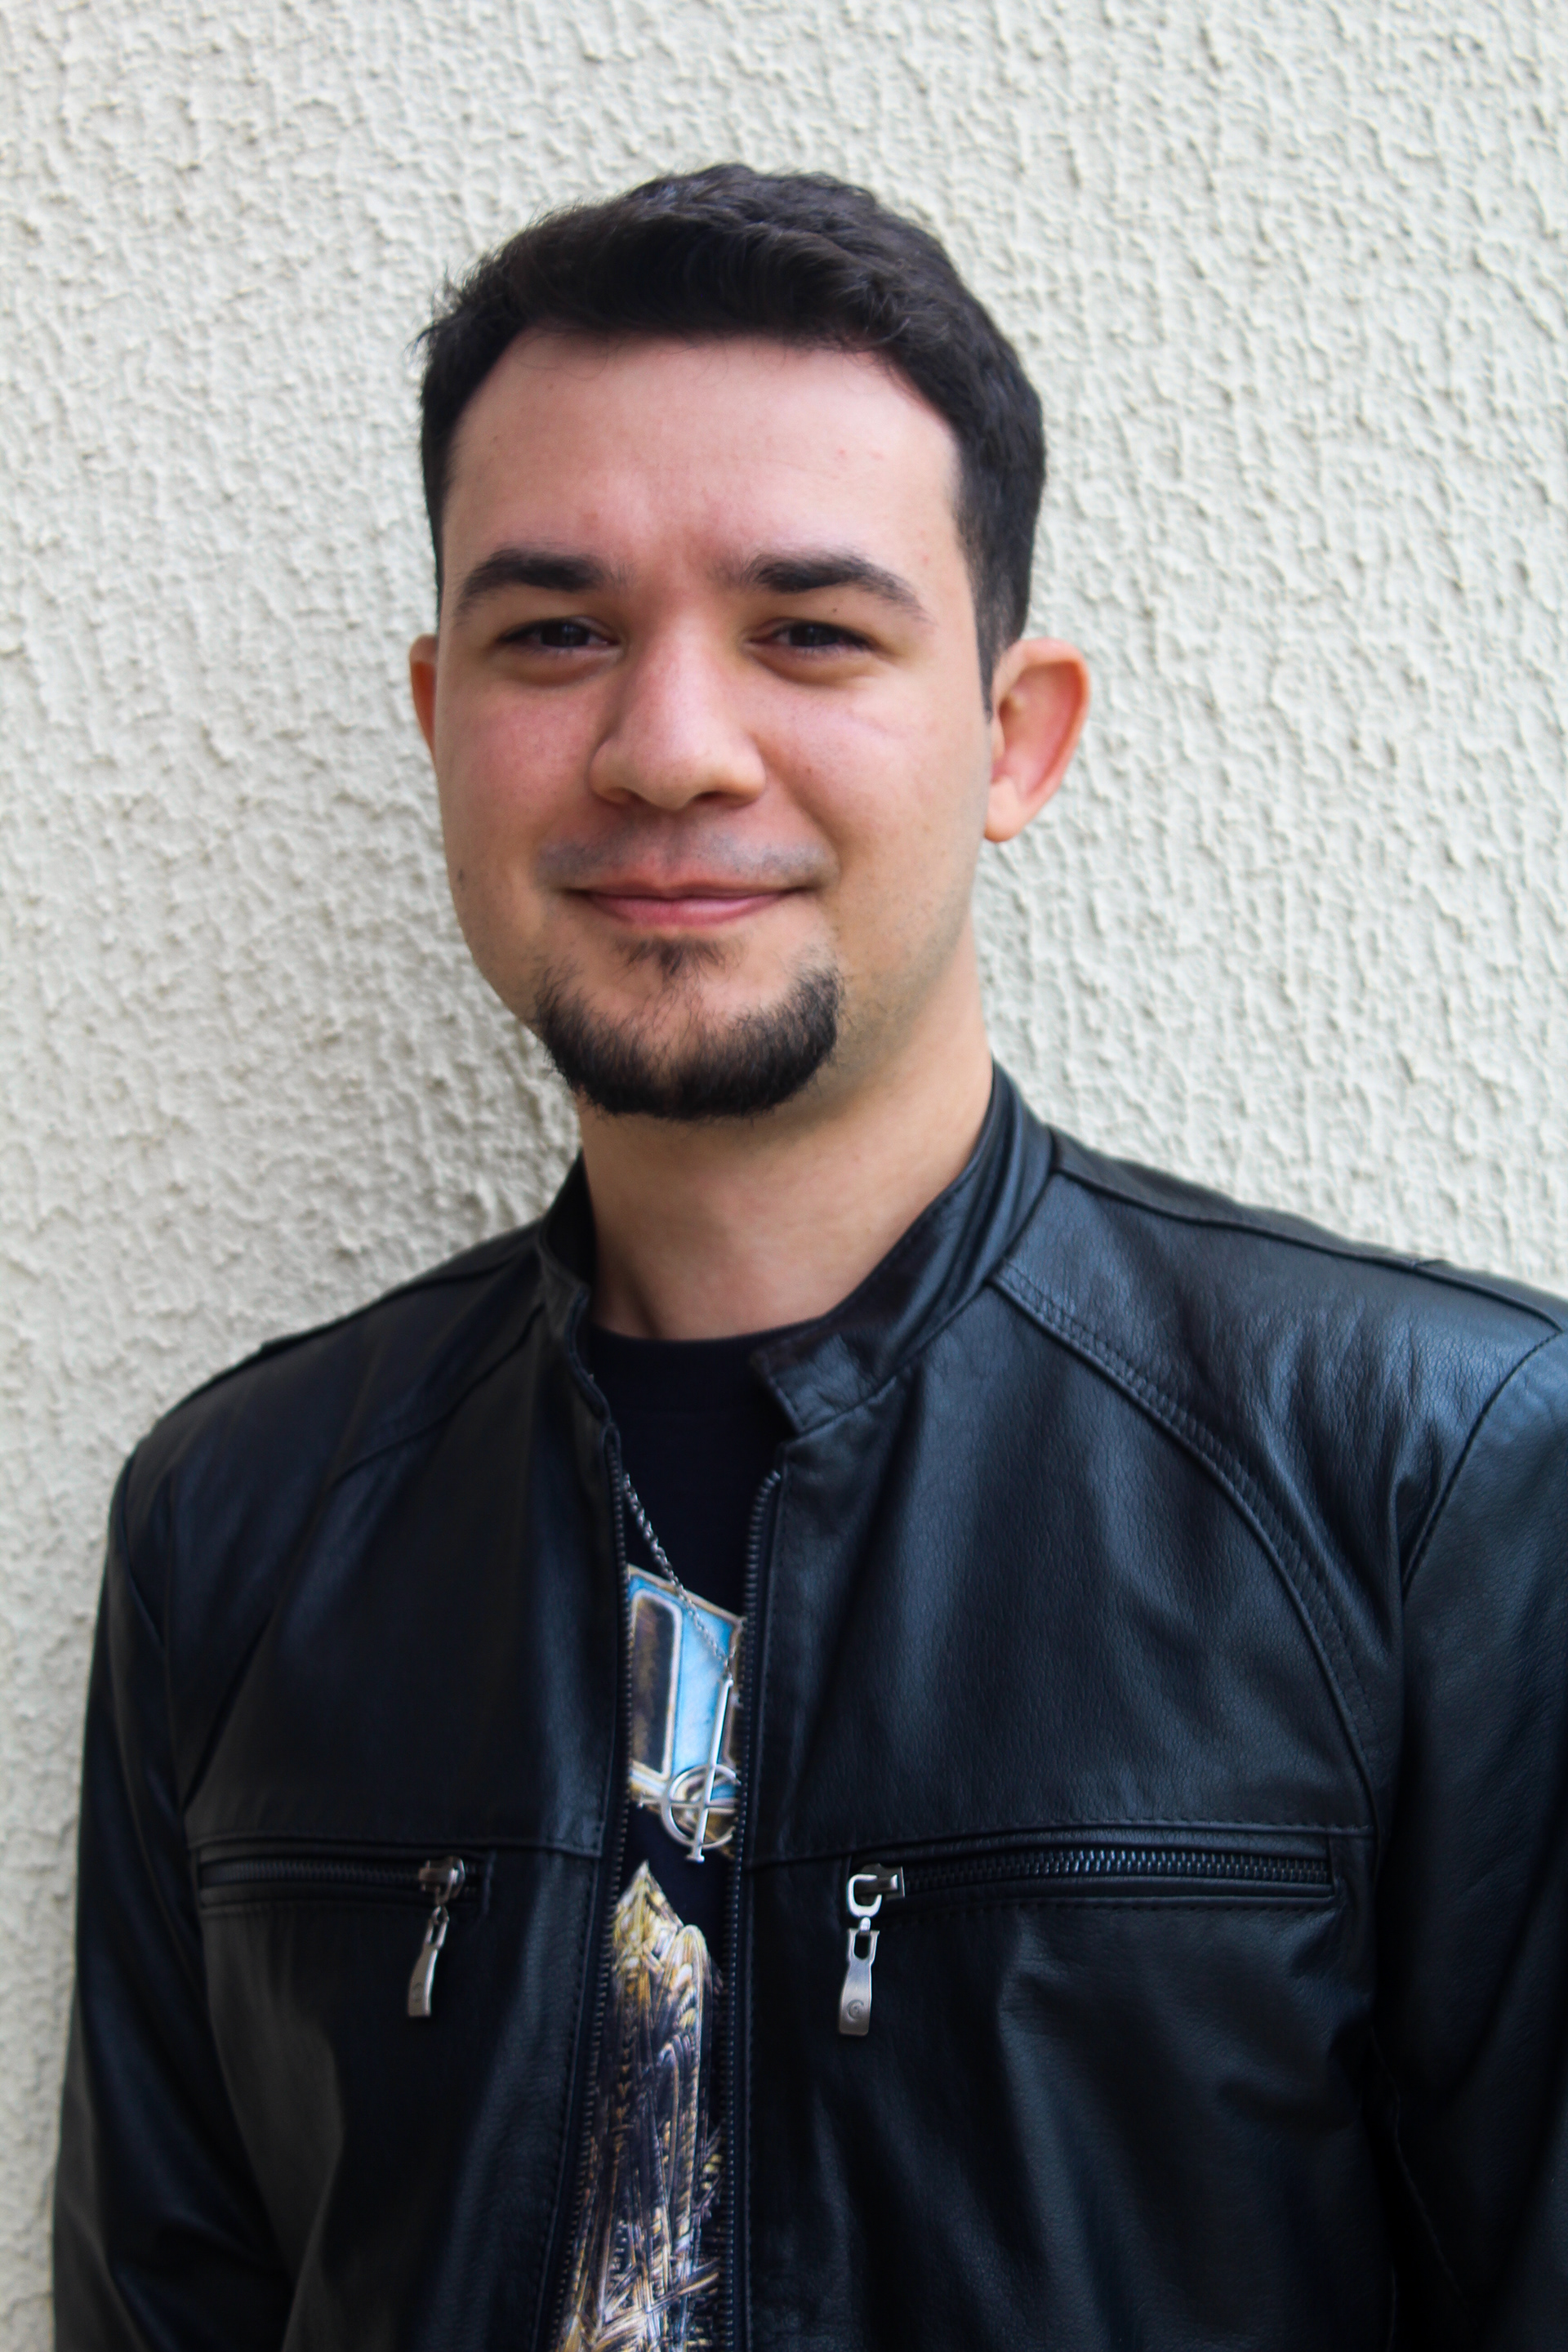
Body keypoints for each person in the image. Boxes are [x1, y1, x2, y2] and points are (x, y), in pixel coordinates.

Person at [54, 164, 1568, 2352]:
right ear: (440, 714)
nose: (670, 747)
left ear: (1015, 738)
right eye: (556, 632)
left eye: (811, 632)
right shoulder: (236, 1521)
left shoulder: (1444, 1481)